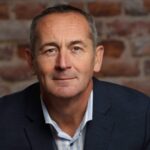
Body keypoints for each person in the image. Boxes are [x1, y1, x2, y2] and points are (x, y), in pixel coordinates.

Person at [0, 4, 150, 150]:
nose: (63, 64)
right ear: (31, 61)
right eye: (50, 50)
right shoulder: (3, 120)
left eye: (76, 49)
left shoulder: (142, 116)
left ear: (97, 58)